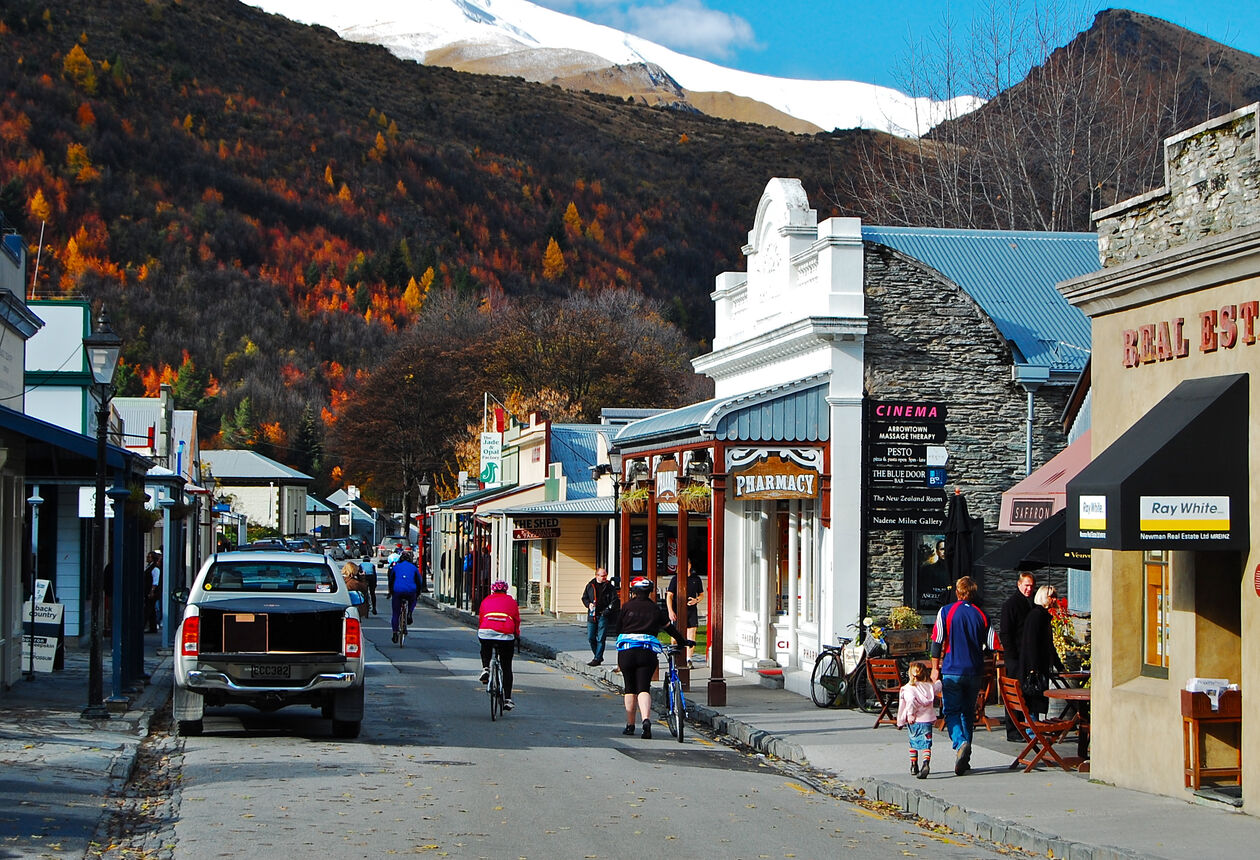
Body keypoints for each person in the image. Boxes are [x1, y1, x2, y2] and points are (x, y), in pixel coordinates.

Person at [930, 575, 996, 776]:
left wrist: (935, 668)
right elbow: (992, 645)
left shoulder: (946, 612)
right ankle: (965, 760)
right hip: (974, 670)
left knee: (951, 711)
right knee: (968, 713)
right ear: (973, 593)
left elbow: (937, 641)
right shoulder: (982, 615)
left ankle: (960, 743)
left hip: (952, 669)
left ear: (958, 592)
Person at [614, 576, 693, 739]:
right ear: (650, 592)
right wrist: (682, 641)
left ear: (634, 591)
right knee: (644, 688)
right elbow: (669, 628)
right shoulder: (654, 609)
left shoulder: (627, 607)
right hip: (647, 652)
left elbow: (618, 630)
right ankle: (646, 721)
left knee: (630, 688)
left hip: (627, 652)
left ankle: (630, 725)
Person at [1019, 585, 1065, 721]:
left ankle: (1034, 728)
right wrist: (1033, 669)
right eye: (1052, 596)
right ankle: (1033, 729)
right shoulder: (1037, 616)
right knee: (1034, 701)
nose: (1054, 599)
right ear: (1044, 597)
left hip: (1037, 667)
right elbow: (1032, 644)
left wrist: (1059, 665)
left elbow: (1049, 645)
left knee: (1036, 702)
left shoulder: (1040, 615)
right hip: (1035, 669)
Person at [999, 571, 1036, 740]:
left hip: (1028, 657)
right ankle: (1013, 730)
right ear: (1019, 584)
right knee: (1014, 694)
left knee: (1027, 694)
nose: (1029, 589)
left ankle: (1026, 727)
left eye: (1031, 586)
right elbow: (1005, 633)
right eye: (1026, 585)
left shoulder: (1032, 604)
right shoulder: (1011, 605)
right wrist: (1012, 657)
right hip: (1016, 658)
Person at [478, 580, 521, 710]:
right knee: (506, 666)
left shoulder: (486, 600)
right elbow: (516, 620)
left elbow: (481, 618)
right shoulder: (511, 601)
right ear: (505, 590)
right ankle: (507, 699)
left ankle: (486, 668)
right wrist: (517, 634)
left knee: (485, 647)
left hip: (486, 631)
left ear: (493, 590)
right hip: (505, 634)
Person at [897, 661, 942, 779]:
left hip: (915, 720)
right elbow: (937, 687)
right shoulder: (929, 687)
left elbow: (910, 701)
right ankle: (926, 763)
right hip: (927, 720)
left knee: (913, 742)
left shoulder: (909, 689)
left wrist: (910, 715)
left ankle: (914, 765)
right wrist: (938, 681)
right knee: (927, 744)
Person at [665, 562, 704, 667]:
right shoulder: (675, 579)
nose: (686, 566)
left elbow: (701, 595)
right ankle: (675, 657)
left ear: (690, 565)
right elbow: (669, 596)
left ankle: (689, 659)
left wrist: (696, 600)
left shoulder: (696, 579)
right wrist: (670, 611)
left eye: (688, 564)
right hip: (678, 610)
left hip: (691, 610)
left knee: (691, 633)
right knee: (675, 634)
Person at [581, 567, 618, 666]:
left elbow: (614, 601)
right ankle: (598, 656)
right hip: (592, 615)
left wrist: (607, 611)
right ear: (597, 575)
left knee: (601, 638)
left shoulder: (609, 587)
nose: (604, 577)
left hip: (603, 615)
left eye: (605, 575)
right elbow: (584, 598)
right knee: (591, 637)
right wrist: (588, 604)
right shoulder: (590, 585)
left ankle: (597, 658)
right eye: (602, 576)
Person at [389, 551, 420, 643]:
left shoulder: (396, 567)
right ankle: (409, 612)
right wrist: (418, 593)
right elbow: (419, 582)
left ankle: (395, 632)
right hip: (410, 591)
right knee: (412, 600)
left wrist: (391, 592)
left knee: (395, 613)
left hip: (397, 591)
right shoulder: (414, 568)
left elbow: (391, 580)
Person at [143, 551, 162, 633]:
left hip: (152, 592)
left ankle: (143, 625)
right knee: (152, 610)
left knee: (148, 608)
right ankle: (153, 627)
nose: (147, 558)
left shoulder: (155, 568)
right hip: (148, 590)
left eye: (149, 557)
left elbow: (155, 581)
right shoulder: (149, 567)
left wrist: (152, 591)